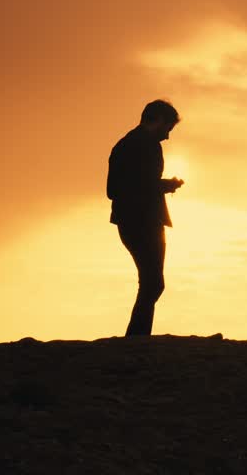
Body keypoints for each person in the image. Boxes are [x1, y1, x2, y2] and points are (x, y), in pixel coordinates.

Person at [107, 99, 184, 337]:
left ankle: (138, 337)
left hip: (136, 221)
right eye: (168, 128)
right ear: (158, 120)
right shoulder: (142, 145)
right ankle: (136, 338)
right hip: (141, 221)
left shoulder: (125, 145)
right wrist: (164, 185)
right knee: (153, 282)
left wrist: (161, 186)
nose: (168, 136)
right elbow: (120, 188)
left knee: (151, 282)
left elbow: (118, 187)